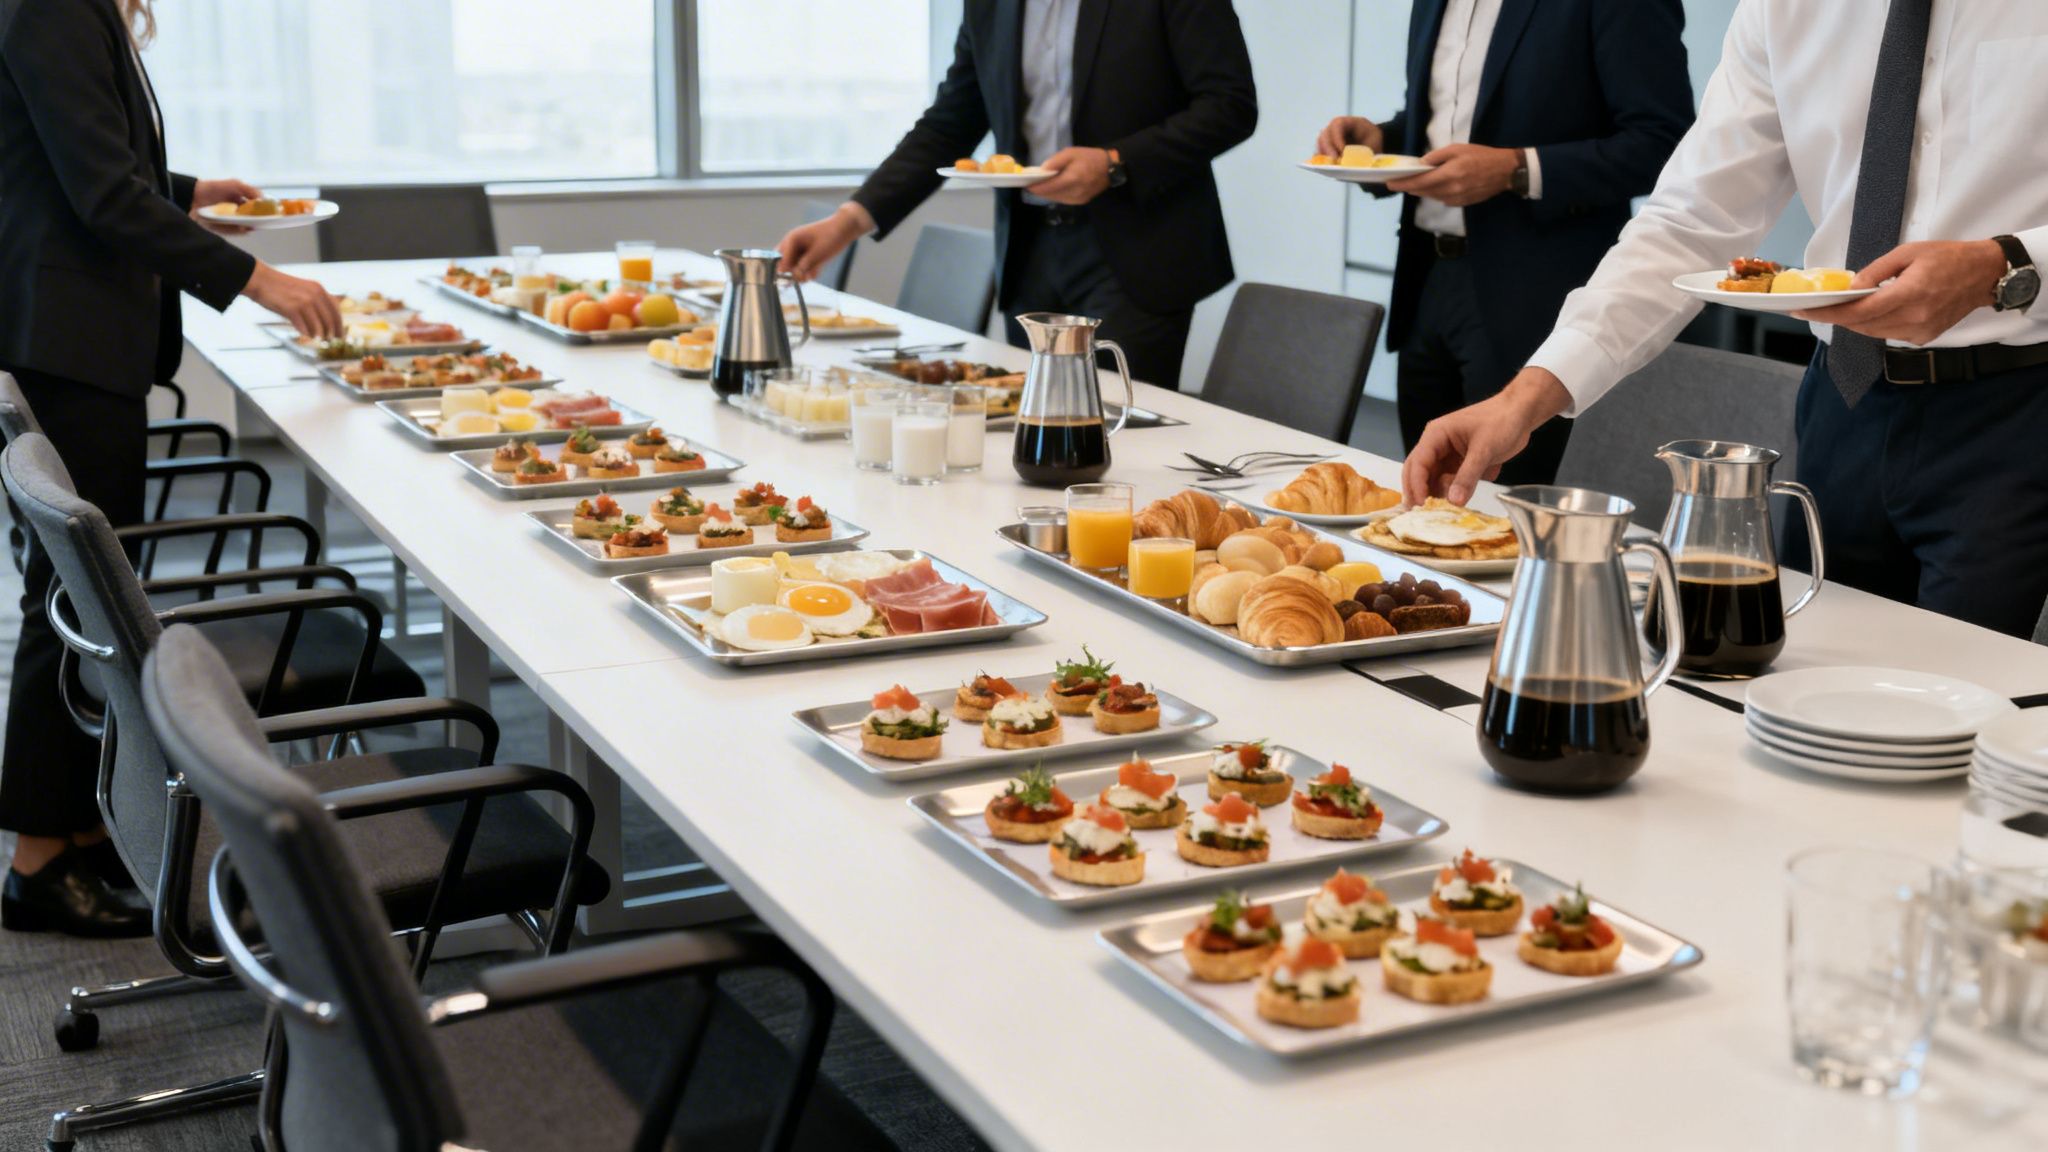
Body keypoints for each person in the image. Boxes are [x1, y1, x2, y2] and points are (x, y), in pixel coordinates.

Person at [1402, 0, 2048, 638]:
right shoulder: (1782, 9)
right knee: (1821, 669)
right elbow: (1690, 221)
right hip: (1843, 402)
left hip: (2016, 409)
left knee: (1975, 685)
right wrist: (1524, 399)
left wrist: (2006, 266)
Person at [0, 0, 340, 936]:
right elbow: (101, 194)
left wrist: (185, 190)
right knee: (75, 604)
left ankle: (76, 827)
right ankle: (37, 860)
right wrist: (257, 280)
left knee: (87, 602)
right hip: (67, 344)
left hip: (72, 340)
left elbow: (74, 155)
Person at [777, 0, 1256, 390]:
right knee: (1030, 435)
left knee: (1114, 436)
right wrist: (847, 222)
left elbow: (1230, 105)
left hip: (1140, 250)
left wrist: (1115, 163)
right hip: (1030, 251)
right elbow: (949, 124)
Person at [1316, 0, 1693, 484]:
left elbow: (1664, 144)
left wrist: (1518, 169)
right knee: (1424, 494)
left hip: (1537, 297)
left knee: (1506, 507)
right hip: (1426, 281)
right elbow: (1441, 122)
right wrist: (1382, 141)